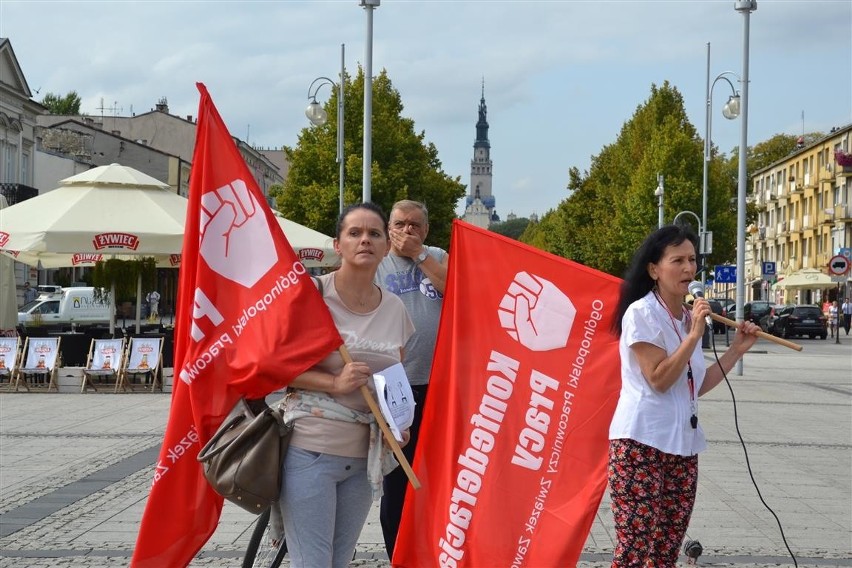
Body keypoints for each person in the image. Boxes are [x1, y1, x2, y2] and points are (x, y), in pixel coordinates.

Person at [608, 225, 760, 567]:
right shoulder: (641, 314)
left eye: (692, 260)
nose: (688, 269)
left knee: (667, 544)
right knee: (635, 544)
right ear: (654, 269)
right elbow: (659, 379)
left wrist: (736, 350)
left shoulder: (685, 317)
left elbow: (696, 383)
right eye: (677, 260)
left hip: (682, 444)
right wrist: (693, 336)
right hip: (640, 443)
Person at [278, 203, 414, 568]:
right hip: (311, 450)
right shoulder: (314, 295)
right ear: (337, 245)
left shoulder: (396, 309)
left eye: (374, 234)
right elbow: (278, 368)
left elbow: (392, 380)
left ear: (387, 245)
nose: (365, 240)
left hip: (364, 458)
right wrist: (335, 382)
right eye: (354, 233)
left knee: (338, 561)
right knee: (312, 563)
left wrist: (398, 422)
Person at [375, 199, 448, 559]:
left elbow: (458, 291)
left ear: (426, 230)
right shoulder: (378, 263)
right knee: (398, 482)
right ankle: (398, 556)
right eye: (400, 224)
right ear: (389, 228)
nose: (407, 231)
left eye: (415, 225)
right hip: (396, 390)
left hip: (441, 388)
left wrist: (422, 257)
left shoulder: (437, 255)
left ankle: (435, 552)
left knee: (439, 479)